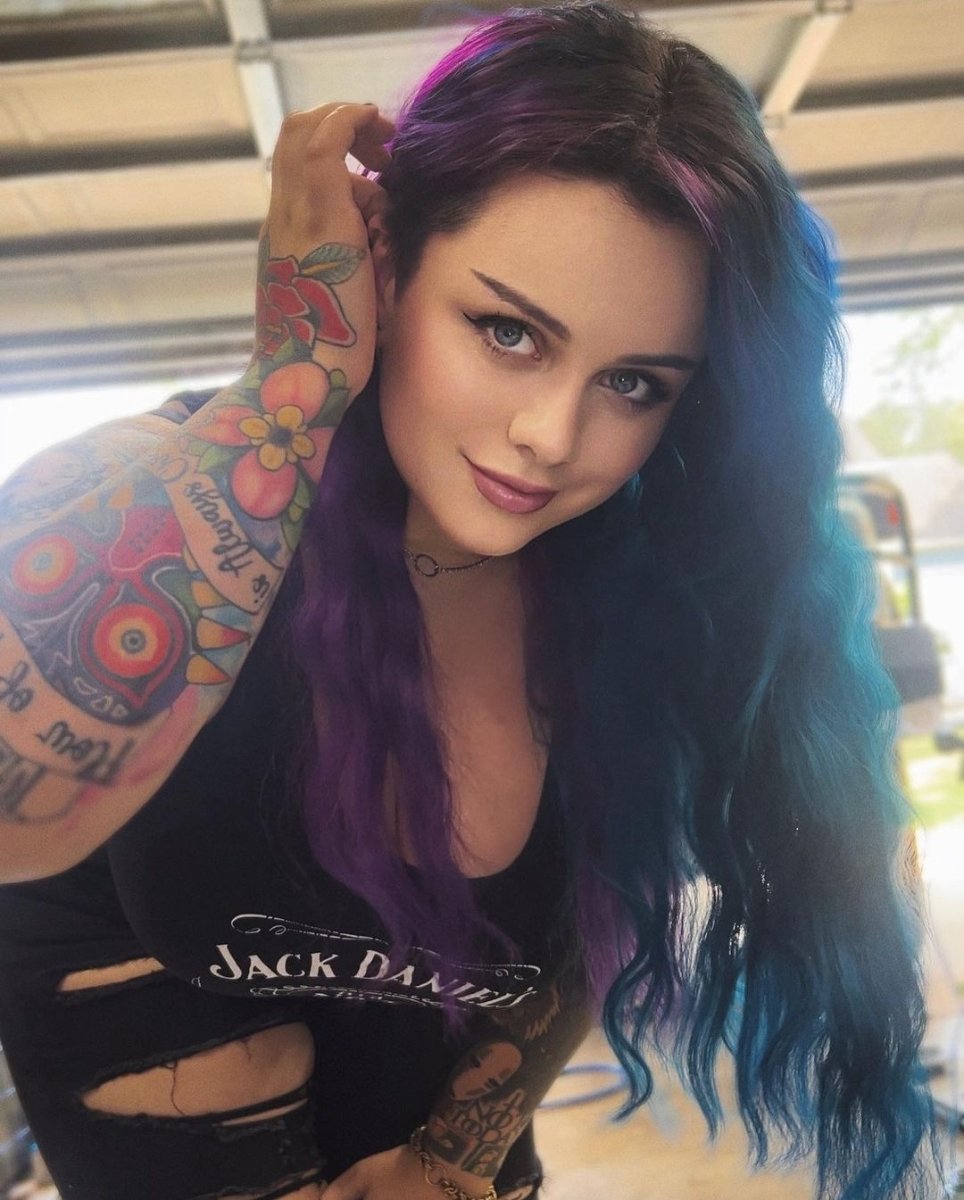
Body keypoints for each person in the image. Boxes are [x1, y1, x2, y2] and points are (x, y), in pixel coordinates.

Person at [0, 3, 942, 1198]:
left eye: (634, 382)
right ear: (386, 271)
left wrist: (454, 1155)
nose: (552, 435)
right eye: (507, 332)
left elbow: (588, 923)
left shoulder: (642, 605)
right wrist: (297, 378)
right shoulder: (152, 504)